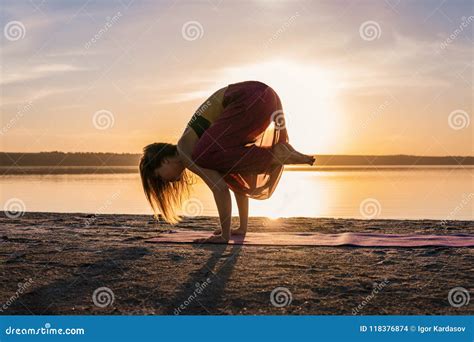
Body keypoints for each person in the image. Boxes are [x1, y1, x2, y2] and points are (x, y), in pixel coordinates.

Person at [139, 81, 315, 243]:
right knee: (228, 167)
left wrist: (224, 236)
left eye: (160, 178)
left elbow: (220, 189)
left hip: (249, 99)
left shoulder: (185, 149)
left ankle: (275, 154)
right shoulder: (211, 147)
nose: (166, 182)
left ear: (164, 161)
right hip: (265, 97)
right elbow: (236, 182)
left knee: (205, 155)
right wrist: (242, 228)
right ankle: (276, 154)